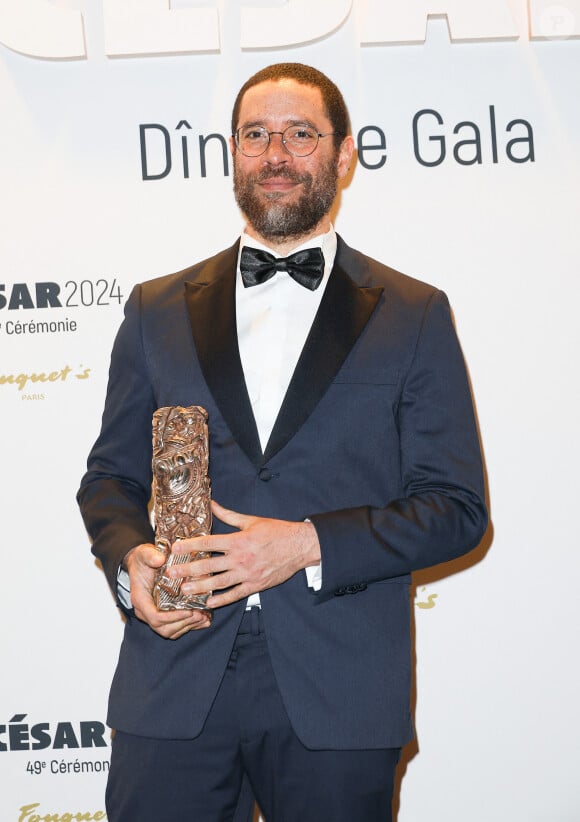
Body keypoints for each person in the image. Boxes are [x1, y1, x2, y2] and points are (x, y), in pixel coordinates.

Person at [78, 62, 488, 822]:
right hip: (174, 677)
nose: (275, 154)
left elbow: (457, 509)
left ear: (344, 155)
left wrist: (305, 545)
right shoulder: (156, 308)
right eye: (255, 135)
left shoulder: (414, 314)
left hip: (339, 687)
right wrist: (128, 558)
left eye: (301, 134)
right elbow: (109, 479)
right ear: (231, 152)